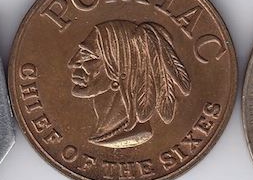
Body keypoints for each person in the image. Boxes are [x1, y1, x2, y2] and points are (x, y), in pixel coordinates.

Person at [68, 20, 191, 148]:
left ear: (120, 70)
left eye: (88, 56)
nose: (72, 63)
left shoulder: (136, 133)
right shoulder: (102, 132)